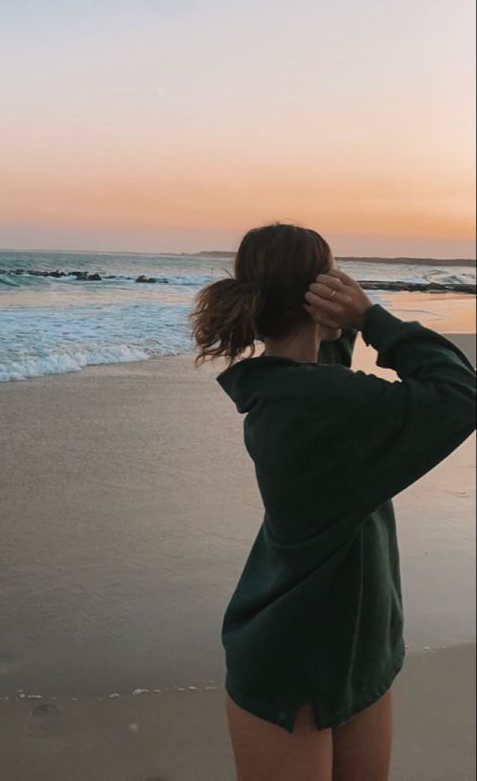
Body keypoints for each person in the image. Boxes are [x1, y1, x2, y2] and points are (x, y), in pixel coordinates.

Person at [189, 222, 476, 781]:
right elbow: (462, 394)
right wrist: (370, 317)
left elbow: (327, 373)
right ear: (319, 295)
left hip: (353, 651)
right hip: (294, 662)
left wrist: (335, 324)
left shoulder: (292, 388)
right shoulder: (315, 403)